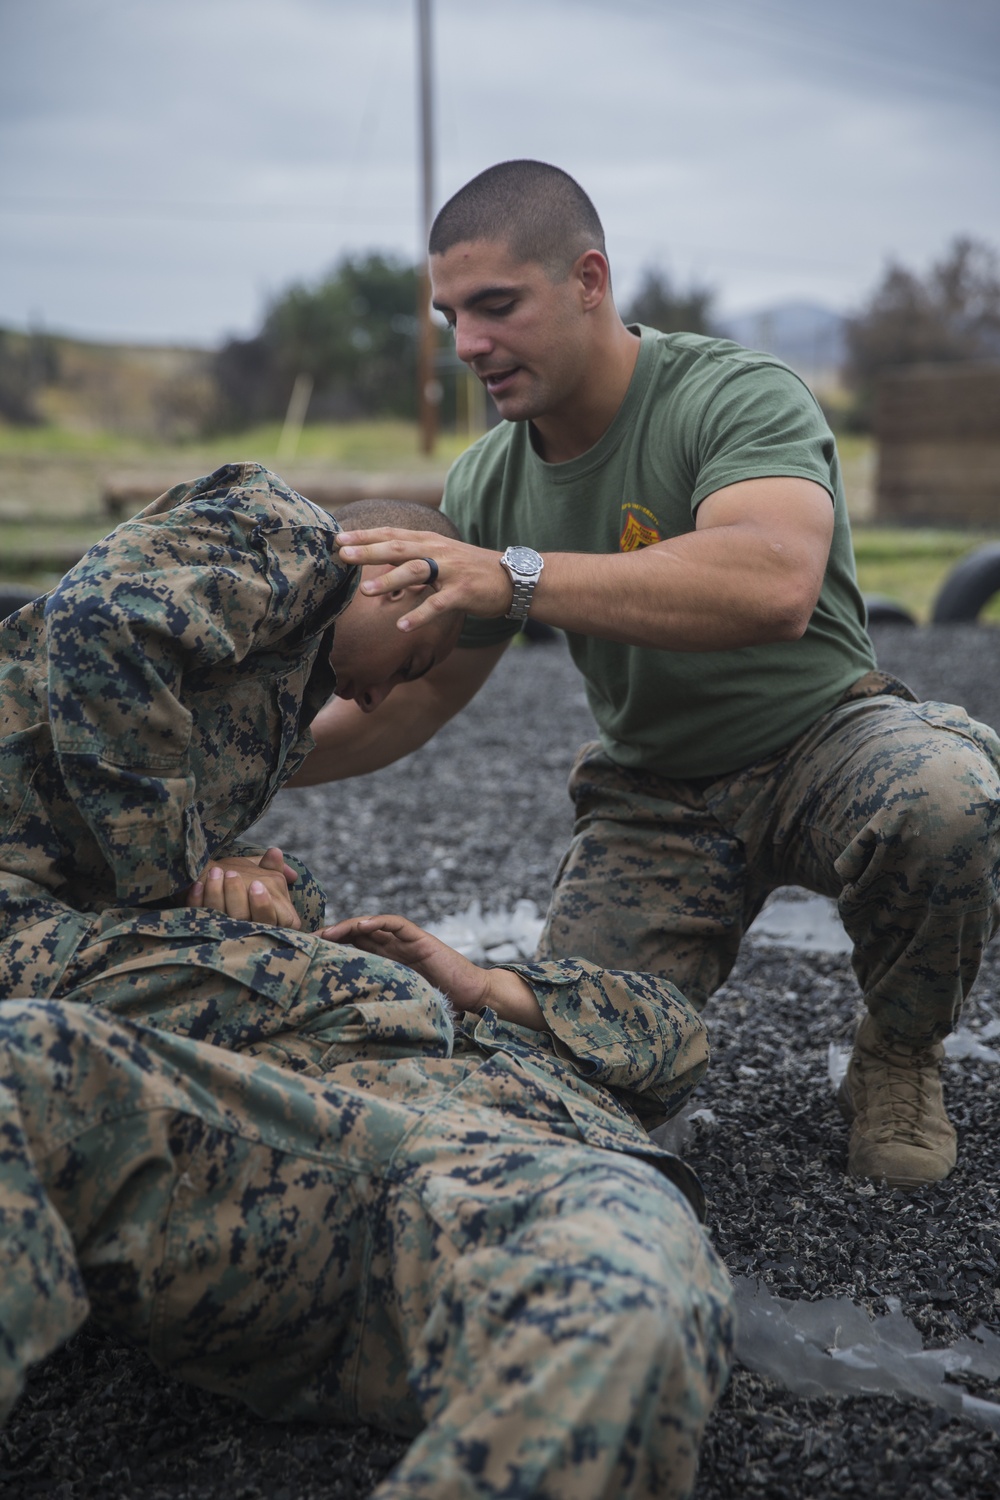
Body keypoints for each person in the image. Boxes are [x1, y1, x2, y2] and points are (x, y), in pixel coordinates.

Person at [295, 159, 1000, 1191]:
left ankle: (895, 1056)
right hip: (657, 800)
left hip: (823, 742)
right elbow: (417, 704)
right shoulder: (488, 479)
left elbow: (771, 582)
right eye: (450, 316)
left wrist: (514, 575)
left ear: (589, 280)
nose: (468, 346)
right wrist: (230, 775)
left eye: (496, 306)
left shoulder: (731, 395)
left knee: (945, 797)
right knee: (562, 1070)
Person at [0, 910, 735, 1500]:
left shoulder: (498, 1021)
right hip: (277, 1151)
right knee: (22, 1048)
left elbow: (678, 1041)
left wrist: (481, 986)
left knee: (624, 1297)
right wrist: (222, 937)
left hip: (529, 1169)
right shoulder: (206, 961)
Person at [0, 459, 464, 1001]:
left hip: (51, 869)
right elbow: (97, 616)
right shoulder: (302, 548)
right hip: (20, 875)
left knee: (291, 898)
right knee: (379, 1001)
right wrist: (184, 873)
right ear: (399, 586)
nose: (373, 699)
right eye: (410, 665)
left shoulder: (297, 664)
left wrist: (222, 875)